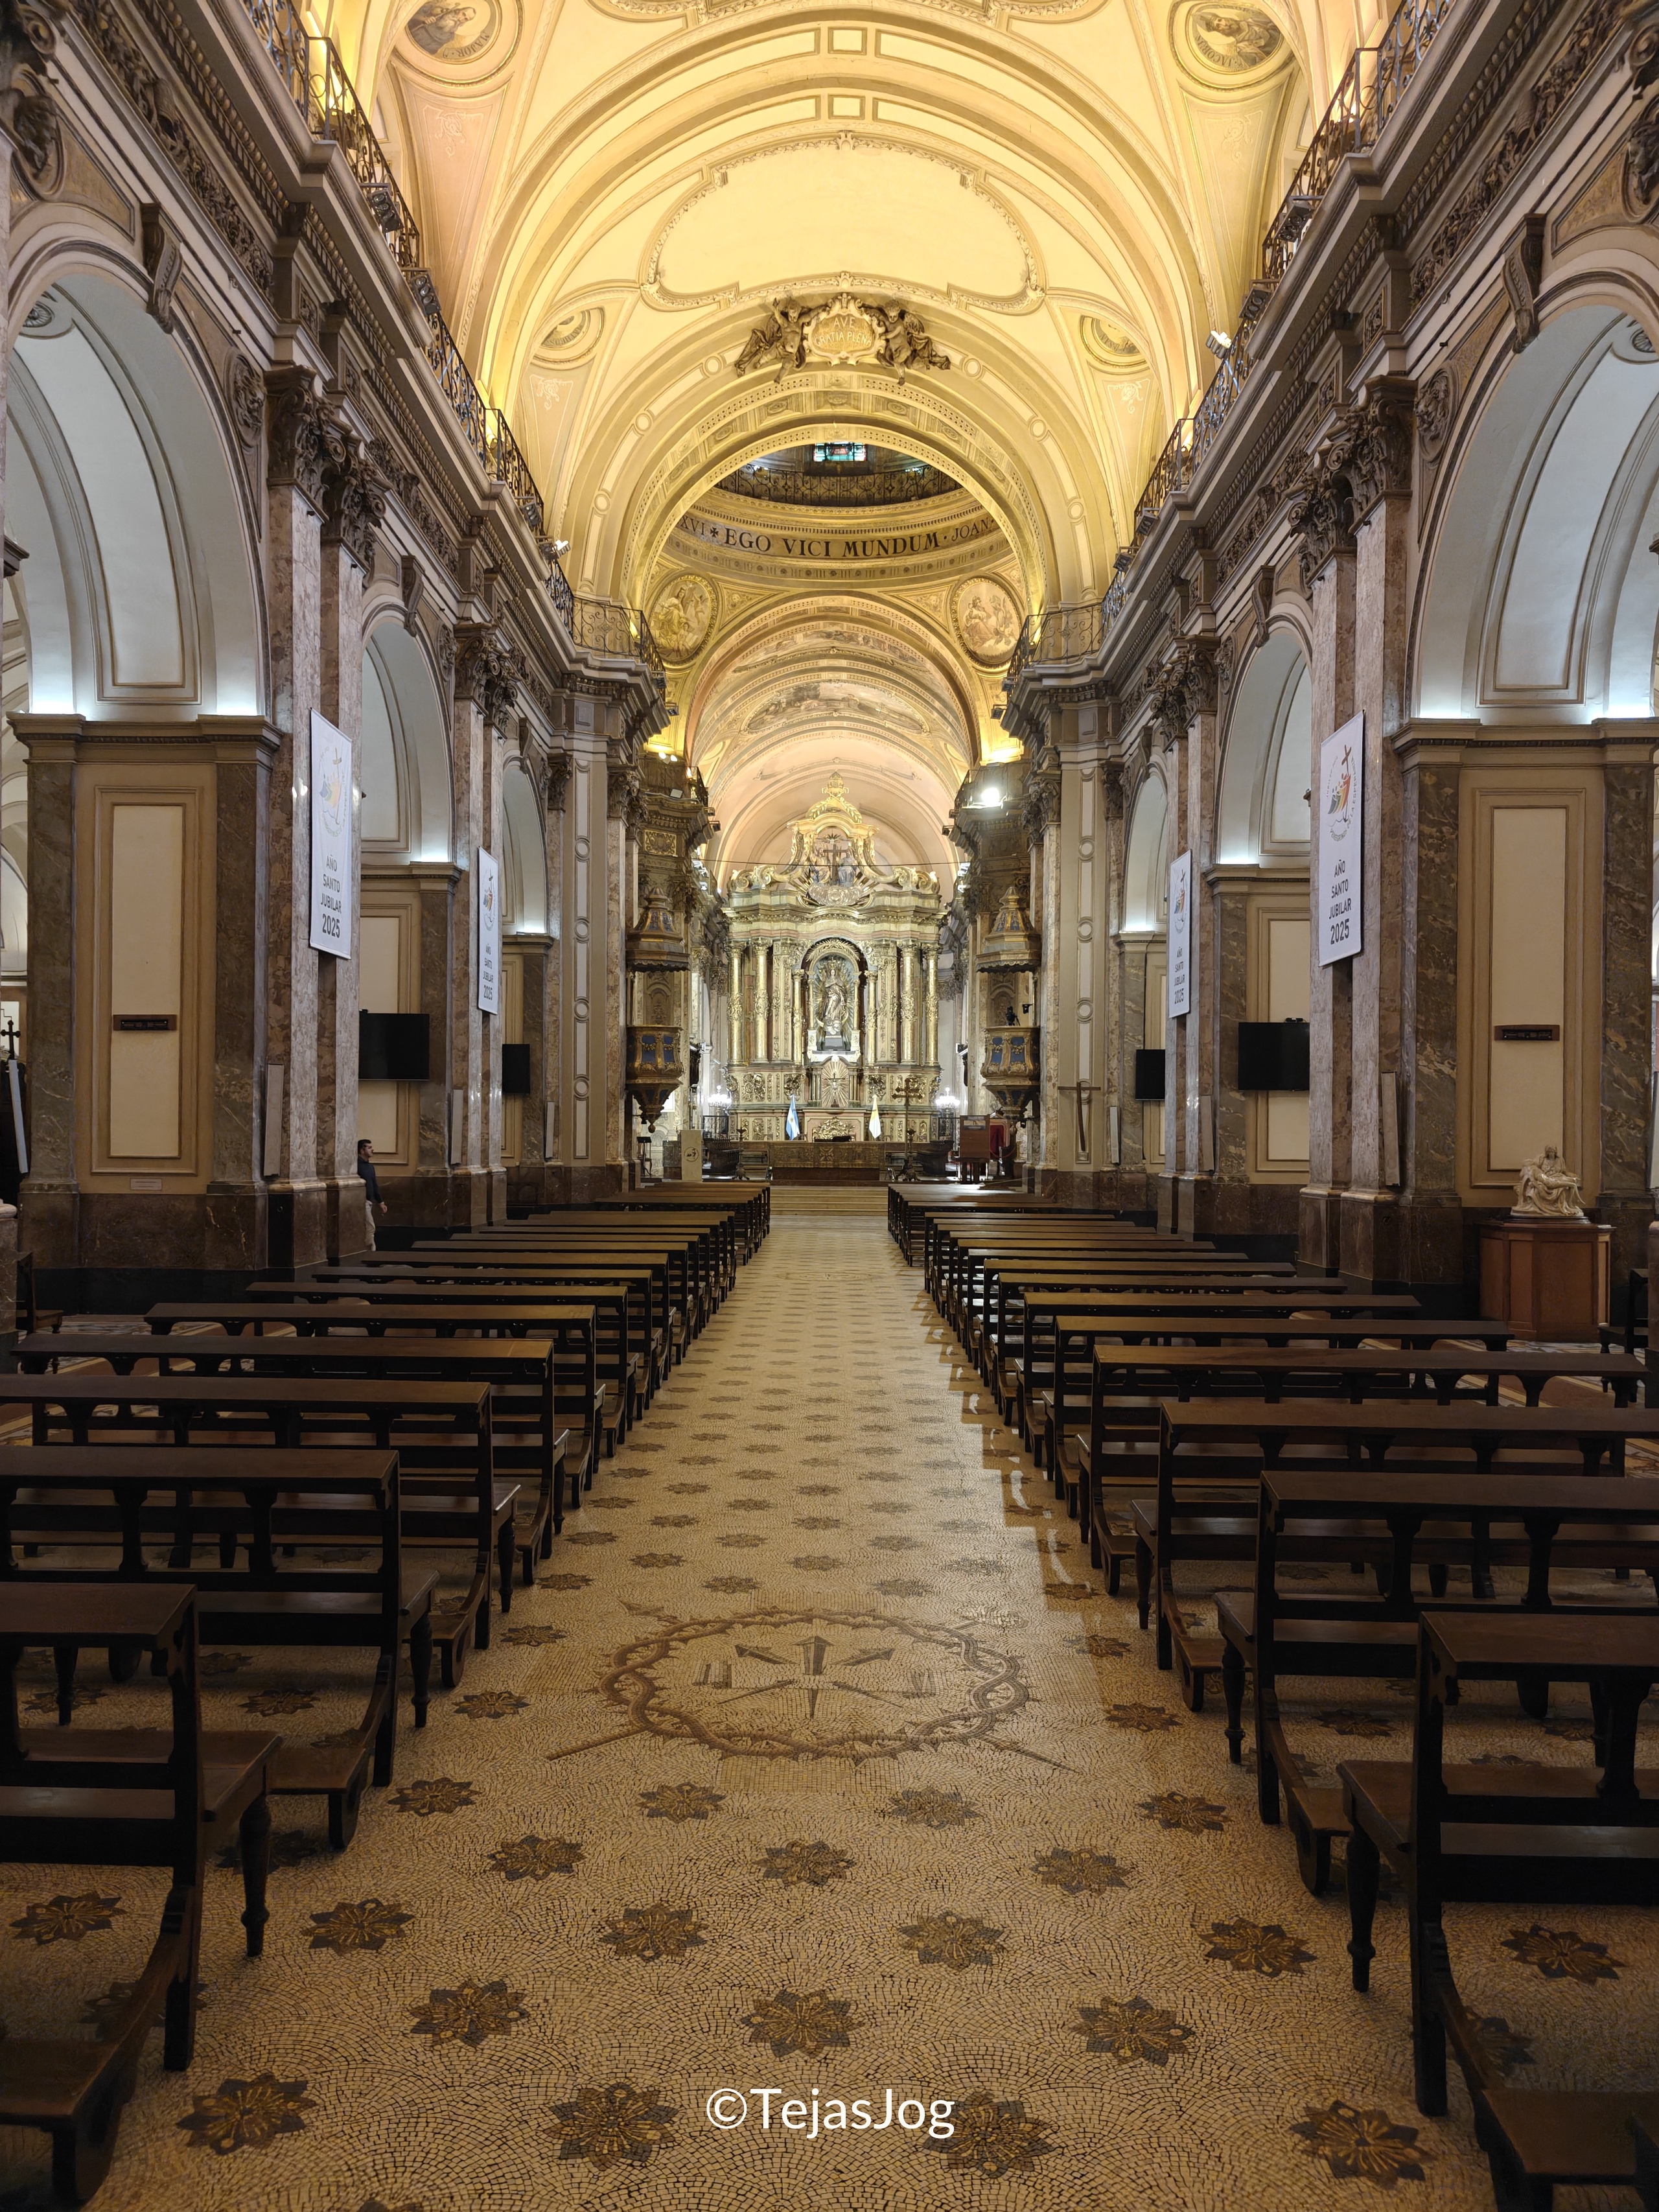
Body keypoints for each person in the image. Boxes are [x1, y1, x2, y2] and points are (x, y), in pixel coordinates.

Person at [357, 1137, 387, 1251]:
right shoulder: (356, 1166)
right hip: (361, 1201)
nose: (372, 1150)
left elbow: (375, 1185)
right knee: (370, 1227)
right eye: (369, 1148)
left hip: (370, 1201)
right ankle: (370, 1252)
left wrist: (380, 1202)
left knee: (368, 1227)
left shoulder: (370, 1166)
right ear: (362, 1150)